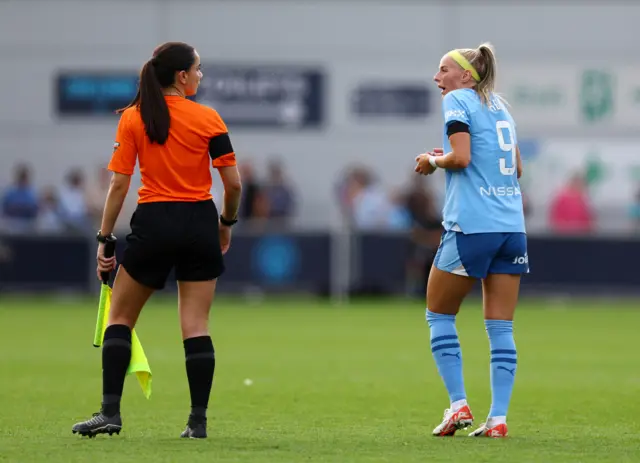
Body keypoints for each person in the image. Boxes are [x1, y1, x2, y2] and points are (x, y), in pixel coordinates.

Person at [71, 42, 242, 439]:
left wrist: (104, 237)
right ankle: (197, 423)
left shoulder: (133, 117)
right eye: (198, 69)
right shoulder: (209, 118)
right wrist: (226, 223)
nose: (201, 75)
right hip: (200, 221)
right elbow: (232, 183)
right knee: (196, 324)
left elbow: (118, 185)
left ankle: (110, 412)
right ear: (181, 76)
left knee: (120, 319)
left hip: (155, 221)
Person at [415, 43, 527, 438]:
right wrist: (448, 155)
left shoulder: (459, 99)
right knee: (500, 328)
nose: (436, 77)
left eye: (443, 69)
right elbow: (515, 167)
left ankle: (458, 405)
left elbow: (460, 158)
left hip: (472, 227)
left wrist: (434, 161)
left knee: (438, 315)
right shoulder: (499, 105)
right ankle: (498, 419)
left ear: (465, 76)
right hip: (512, 229)